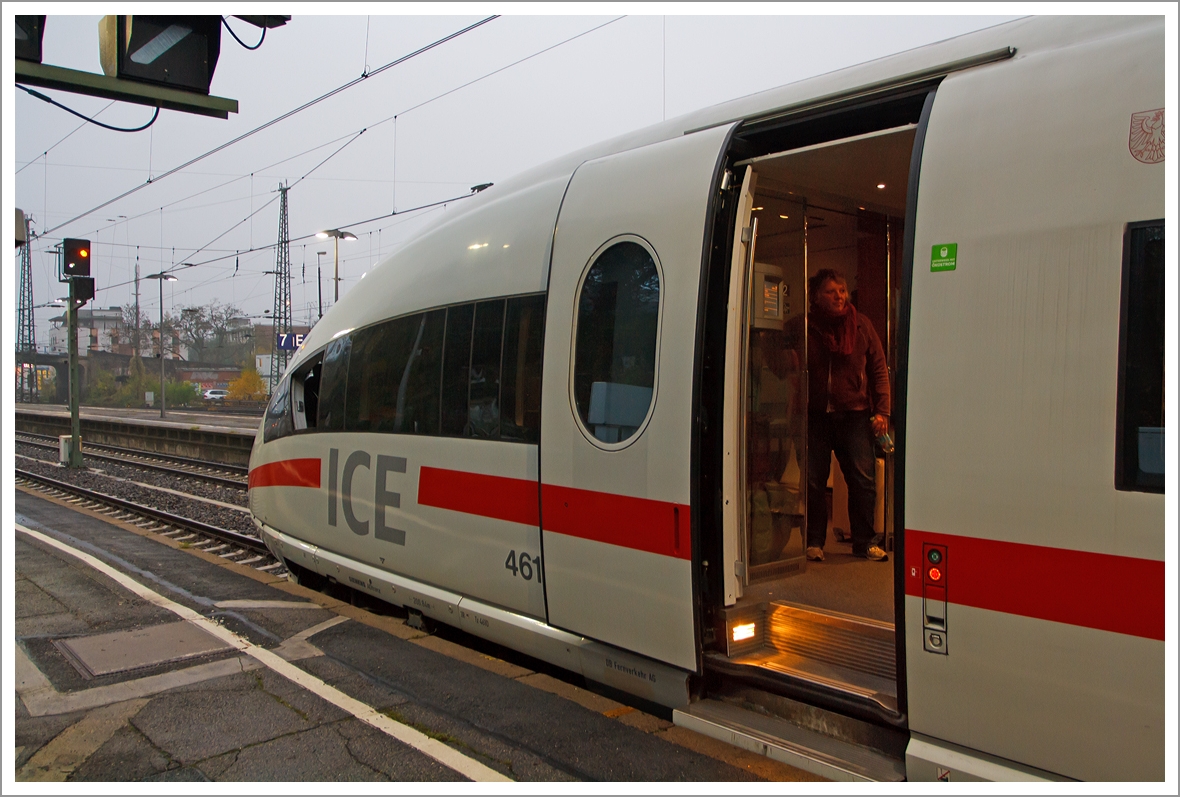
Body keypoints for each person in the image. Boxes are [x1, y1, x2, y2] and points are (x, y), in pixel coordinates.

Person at [791, 268, 891, 563]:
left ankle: (864, 543)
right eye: (830, 292)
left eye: (842, 291)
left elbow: (879, 370)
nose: (839, 296)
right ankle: (814, 542)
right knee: (813, 481)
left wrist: (882, 411)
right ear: (816, 297)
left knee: (863, 481)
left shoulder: (861, 326)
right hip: (814, 415)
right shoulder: (803, 327)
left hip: (855, 414)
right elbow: (776, 358)